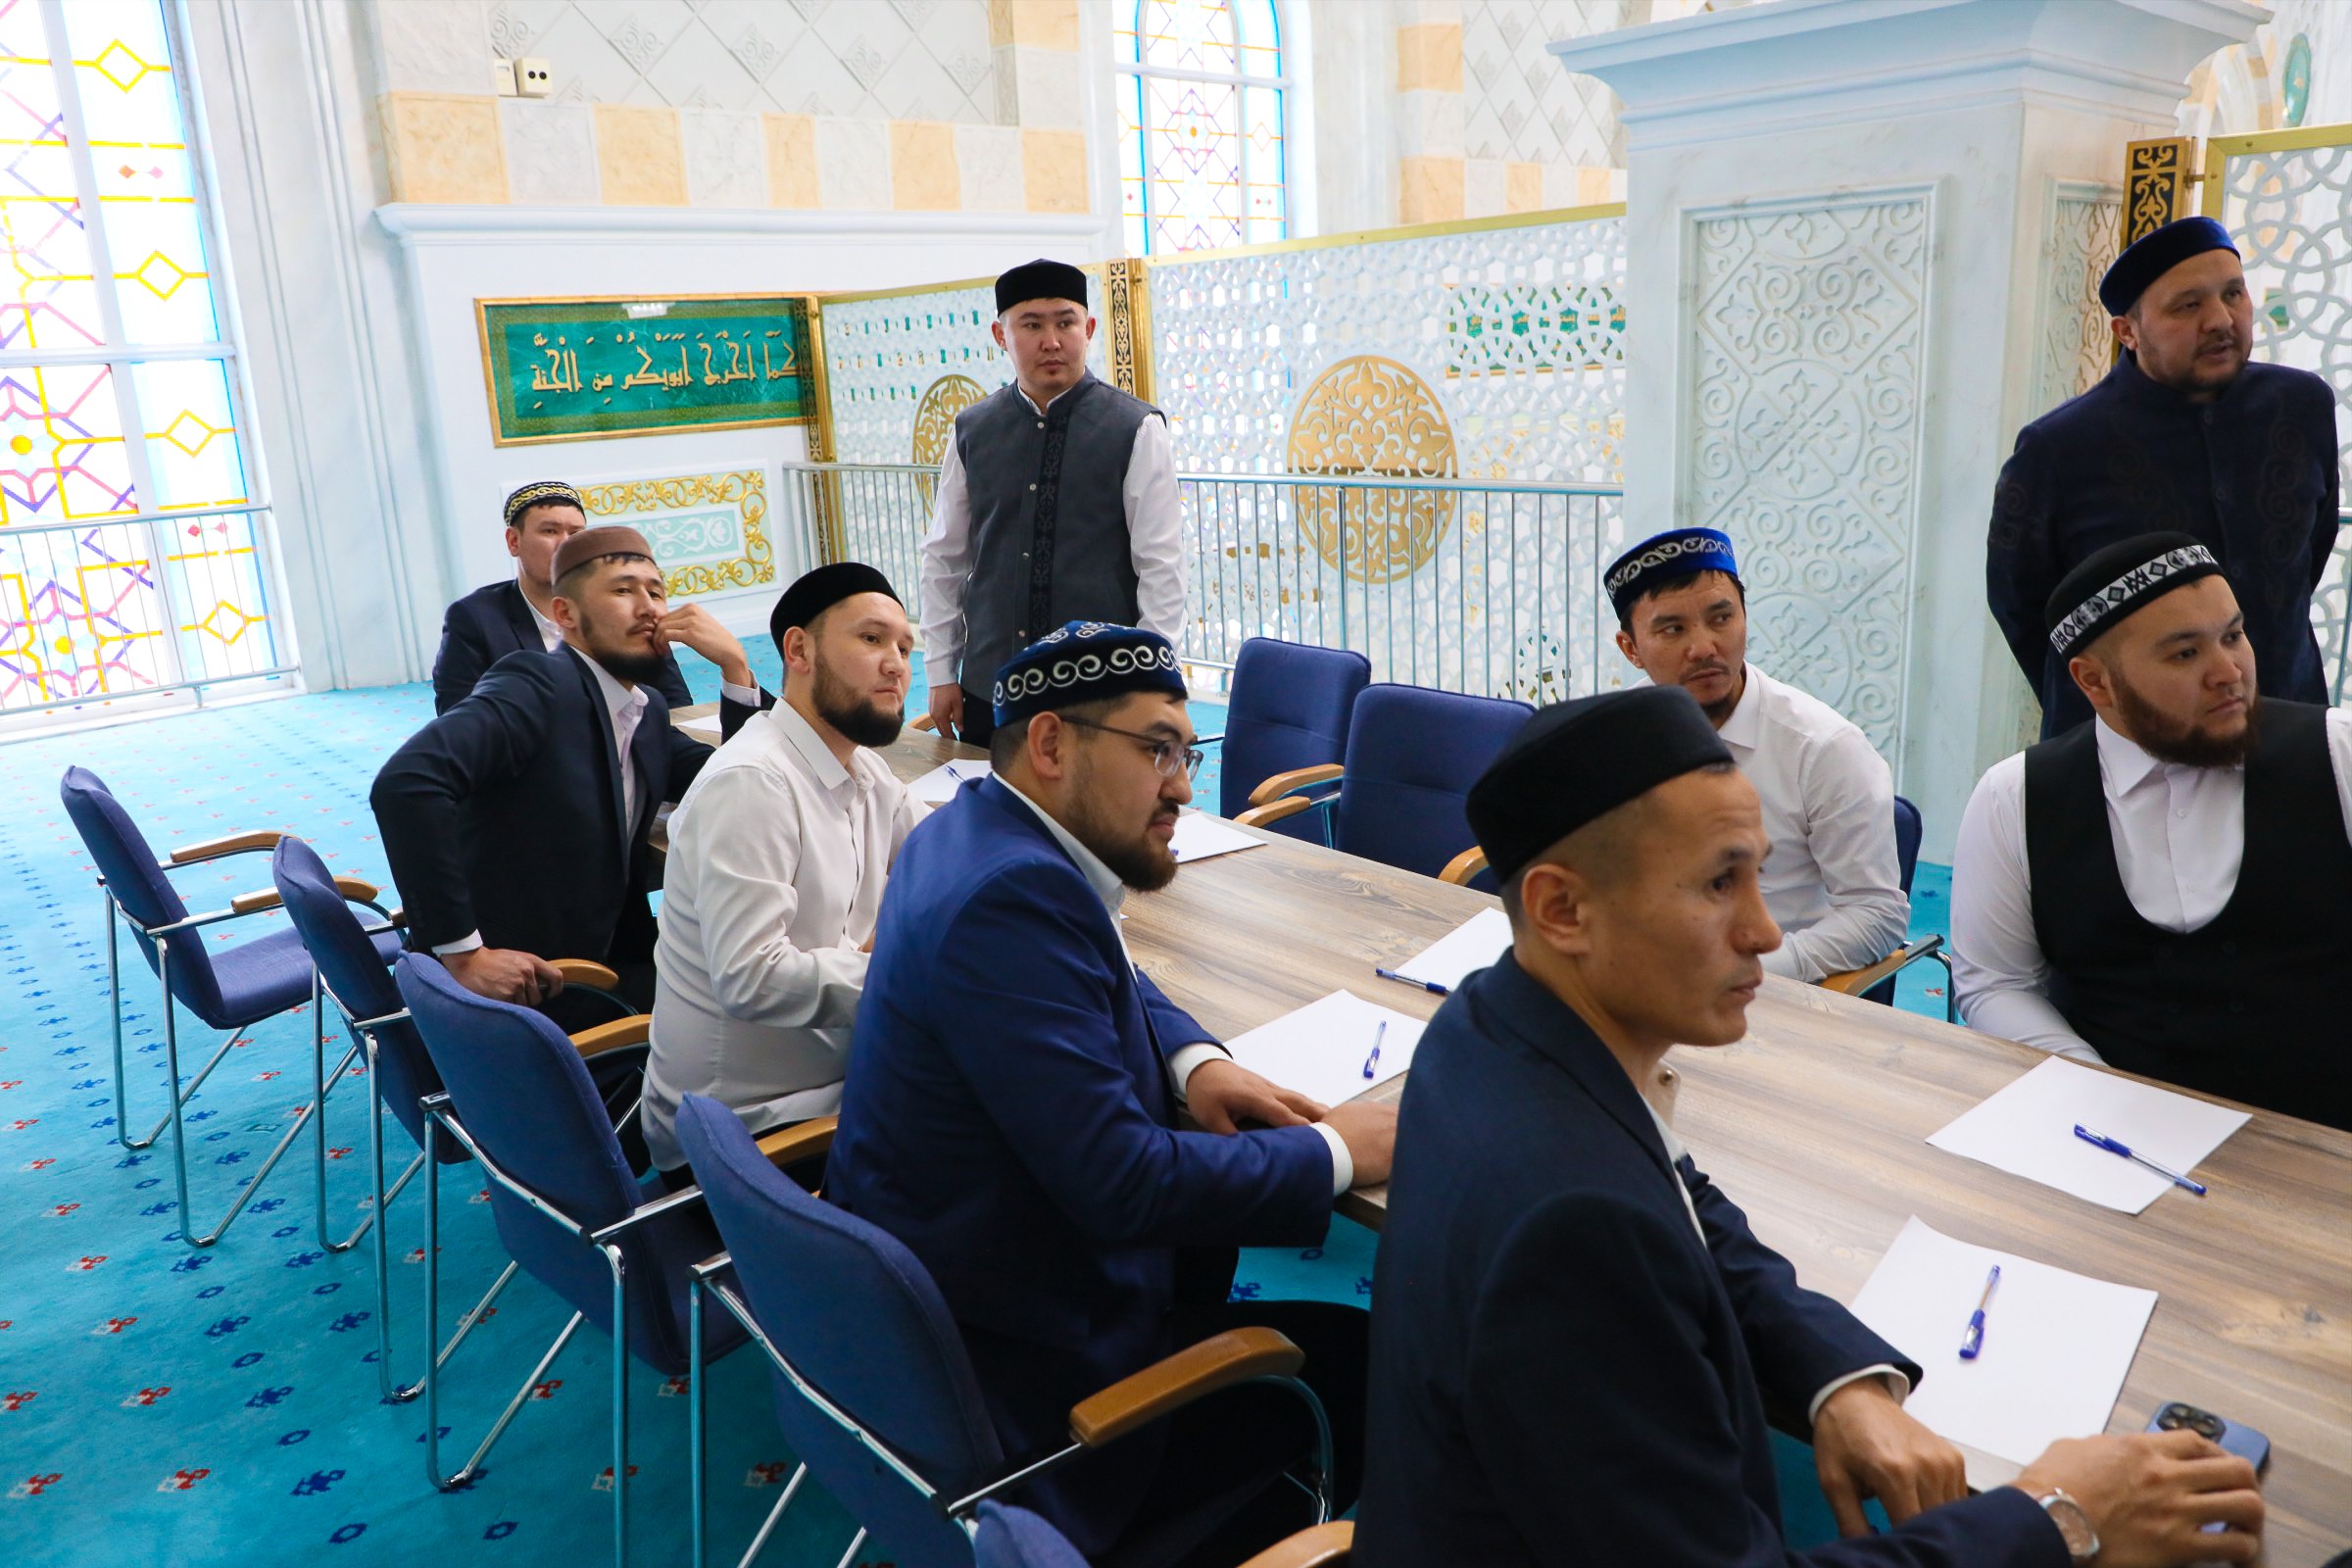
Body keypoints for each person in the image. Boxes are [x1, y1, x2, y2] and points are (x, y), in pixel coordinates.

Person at [1355, 685, 2267, 1567]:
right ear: (1563, 909)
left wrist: (1841, 1379)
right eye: (1720, 883)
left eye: (1758, 873)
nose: (1763, 931)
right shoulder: (1575, 1226)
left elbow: (1686, 1210)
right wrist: (2056, 1520)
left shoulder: (1490, 1023)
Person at [827, 621, 1396, 1565]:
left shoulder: (973, 829)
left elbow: (1113, 965)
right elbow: (1124, 1187)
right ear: (1052, 744)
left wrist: (1196, 1063)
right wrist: (1342, 1151)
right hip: (1040, 1388)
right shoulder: (1010, 897)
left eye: (1186, 752)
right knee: (1391, 1363)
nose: (1184, 787)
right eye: (1157, 750)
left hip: (954, 1297)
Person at [1952, 532, 2352, 1130]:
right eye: (2185, 654)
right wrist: (2095, 1090)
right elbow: (1995, 984)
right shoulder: (2015, 797)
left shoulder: (2339, 754)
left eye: (2233, 636)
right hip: (2107, 1137)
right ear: (2095, 682)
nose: (2229, 673)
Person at [1986, 216, 2340, 738]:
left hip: (2285, 723)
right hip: (2134, 746)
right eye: (2188, 305)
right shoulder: (2059, 447)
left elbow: (2308, 551)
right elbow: (2022, 604)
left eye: (2233, 294)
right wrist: (2108, 707)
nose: (2220, 319)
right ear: (2127, 332)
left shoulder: (2301, 406)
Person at [640, 564, 924, 1183]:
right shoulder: (753, 783)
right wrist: (916, 972)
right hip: (746, 1139)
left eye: (905, 648)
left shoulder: (864, 771)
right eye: (872, 639)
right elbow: (753, 979)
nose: (897, 665)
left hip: (831, 1088)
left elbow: (949, 856)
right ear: (799, 651)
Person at [371, 525, 725, 1016]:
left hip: (606, 956)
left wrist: (736, 671)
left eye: (656, 592)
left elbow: (729, 780)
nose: (649, 608)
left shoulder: (645, 711)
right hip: (526, 987)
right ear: (566, 615)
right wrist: (464, 954)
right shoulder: (538, 683)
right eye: (624, 591)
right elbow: (406, 784)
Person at [1605, 526, 1908, 984]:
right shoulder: (1616, 733)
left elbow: (1877, 914)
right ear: (1631, 649)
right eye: (1673, 629)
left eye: (1721, 618)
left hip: (1769, 990)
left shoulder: (1823, 748)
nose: (1704, 647)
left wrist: (1754, 969)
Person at [917, 260, 1186, 747]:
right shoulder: (973, 430)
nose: (1051, 341)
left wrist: (1154, 683)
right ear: (1000, 336)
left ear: (1089, 329)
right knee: (989, 794)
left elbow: (1161, 566)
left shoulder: (1136, 429)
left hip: (1099, 691)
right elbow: (945, 559)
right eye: (1031, 325)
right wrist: (940, 670)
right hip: (991, 684)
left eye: (1065, 323)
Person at [433, 479, 771, 731]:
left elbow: (675, 709)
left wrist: (735, 667)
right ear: (514, 541)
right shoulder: (476, 618)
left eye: (576, 533)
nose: (565, 545)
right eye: (549, 531)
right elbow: (459, 722)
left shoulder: (621, 612)